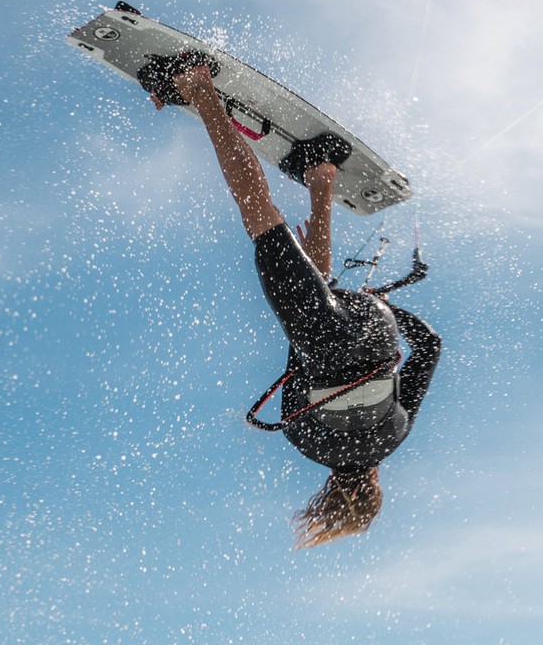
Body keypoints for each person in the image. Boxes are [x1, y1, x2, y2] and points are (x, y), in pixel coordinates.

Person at [149, 53, 441, 547]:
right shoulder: (308, 443)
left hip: (376, 325)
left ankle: (321, 177)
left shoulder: (394, 436)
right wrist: (295, 277)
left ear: (374, 484)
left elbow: (428, 345)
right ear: (328, 492)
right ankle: (197, 85)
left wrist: (385, 307)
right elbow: (299, 354)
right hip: (323, 339)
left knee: (319, 295)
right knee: (261, 217)